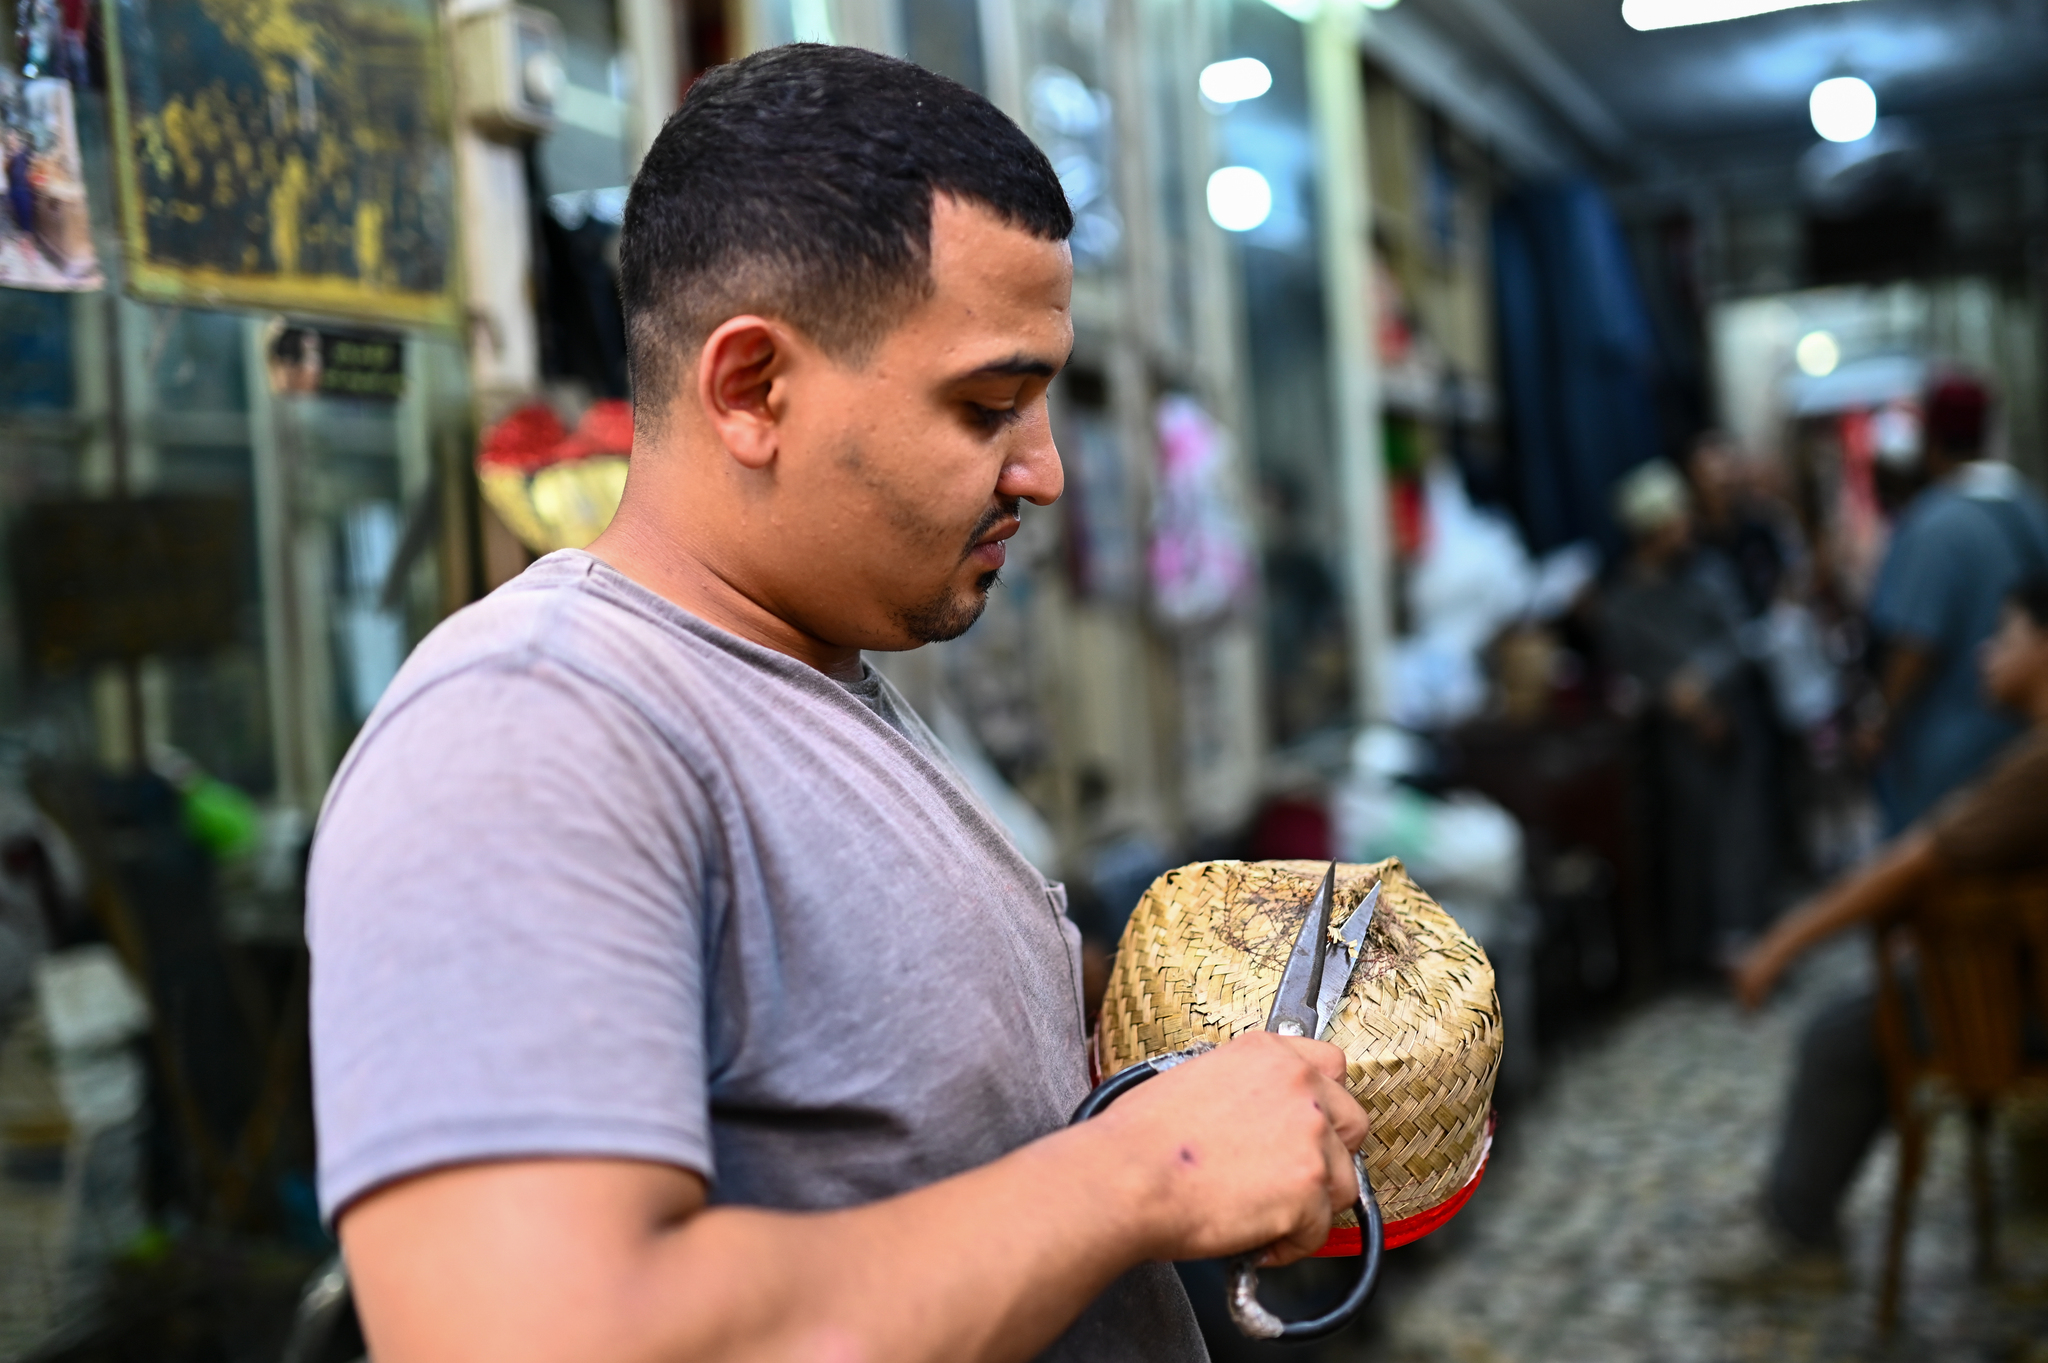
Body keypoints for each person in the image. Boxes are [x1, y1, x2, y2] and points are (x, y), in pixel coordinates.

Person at [307, 46, 1369, 1363]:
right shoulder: (533, 728)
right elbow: (531, 1332)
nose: (1040, 471)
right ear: (752, 389)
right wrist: (1145, 1169)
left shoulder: (809, 666)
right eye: (989, 405)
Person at [1730, 578, 2048, 1273]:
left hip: (2026, 1006)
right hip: (2018, 976)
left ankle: (1797, 1234)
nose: (1986, 653)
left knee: (1842, 1033)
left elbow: (1914, 864)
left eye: (2008, 635)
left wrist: (1780, 945)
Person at [1601, 459, 1776, 971]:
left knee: (1743, 825)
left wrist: (1703, 682)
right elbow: (1628, 670)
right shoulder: (1624, 601)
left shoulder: (1711, 574)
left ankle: (1751, 933)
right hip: (1676, 734)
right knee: (1694, 832)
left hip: (1732, 717)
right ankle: (1706, 944)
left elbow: (1743, 639)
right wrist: (1670, 695)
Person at [1862, 376, 2048, 834]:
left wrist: (1880, 720)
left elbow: (1915, 643)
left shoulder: (1933, 526)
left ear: (1930, 443)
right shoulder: (2031, 506)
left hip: (1953, 757)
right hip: (2027, 743)